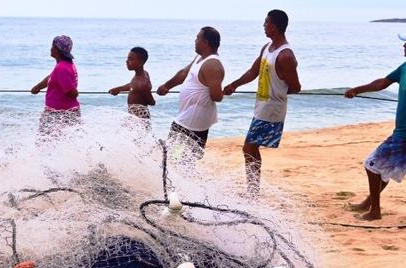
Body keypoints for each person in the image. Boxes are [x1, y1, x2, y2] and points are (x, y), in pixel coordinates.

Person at [344, 28, 406, 220]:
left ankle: (375, 211)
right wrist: (357, 90)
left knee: (371, 164)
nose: (404, 45)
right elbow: (383, 82)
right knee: (385, 168)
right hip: (403, 130)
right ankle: (369, 203)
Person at [224, 9, 301, 195]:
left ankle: (252, 191)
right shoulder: (267, 48)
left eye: (266, 23)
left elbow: (296, 87)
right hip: (261, 106)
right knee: (251, 147)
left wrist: (279, 92)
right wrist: (234, 85)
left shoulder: (286, 56)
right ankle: (253, 190)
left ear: (274, 27)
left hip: (272, 109)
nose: (264, 26)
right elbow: (253, 71)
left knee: (248, 147)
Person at [157, 27, 225, 159]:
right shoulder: (200, 58)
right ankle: (177, 176)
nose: (195, 41)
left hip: (193, 119)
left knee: (177, 154)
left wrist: (222, 91)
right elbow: (183, 73)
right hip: (188, 115)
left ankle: (176, 177)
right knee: (181, 154)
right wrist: (167, 86)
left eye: (197, 38)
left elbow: (216, 96)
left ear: (205, 43)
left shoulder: (212, 64)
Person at [31, 35, 80, 136]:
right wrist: (37, 87)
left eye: (52, 46)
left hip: (60, 114)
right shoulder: (65, 64)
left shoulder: (61, 68)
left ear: (57, 50)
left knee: (44, 142)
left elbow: (73, 93)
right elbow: (51, 77)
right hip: (62, 112)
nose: (50, 48)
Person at [108, 47, 156, 122]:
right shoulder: (140, 76)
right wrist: (119, 89)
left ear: (140, 62)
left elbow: (152, 102)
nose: (127, 61)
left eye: (131, 59)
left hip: (140, 117)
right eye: (127, 58)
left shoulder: (143, 83)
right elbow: (132, 85)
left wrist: (146, 92)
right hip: (132, 115)